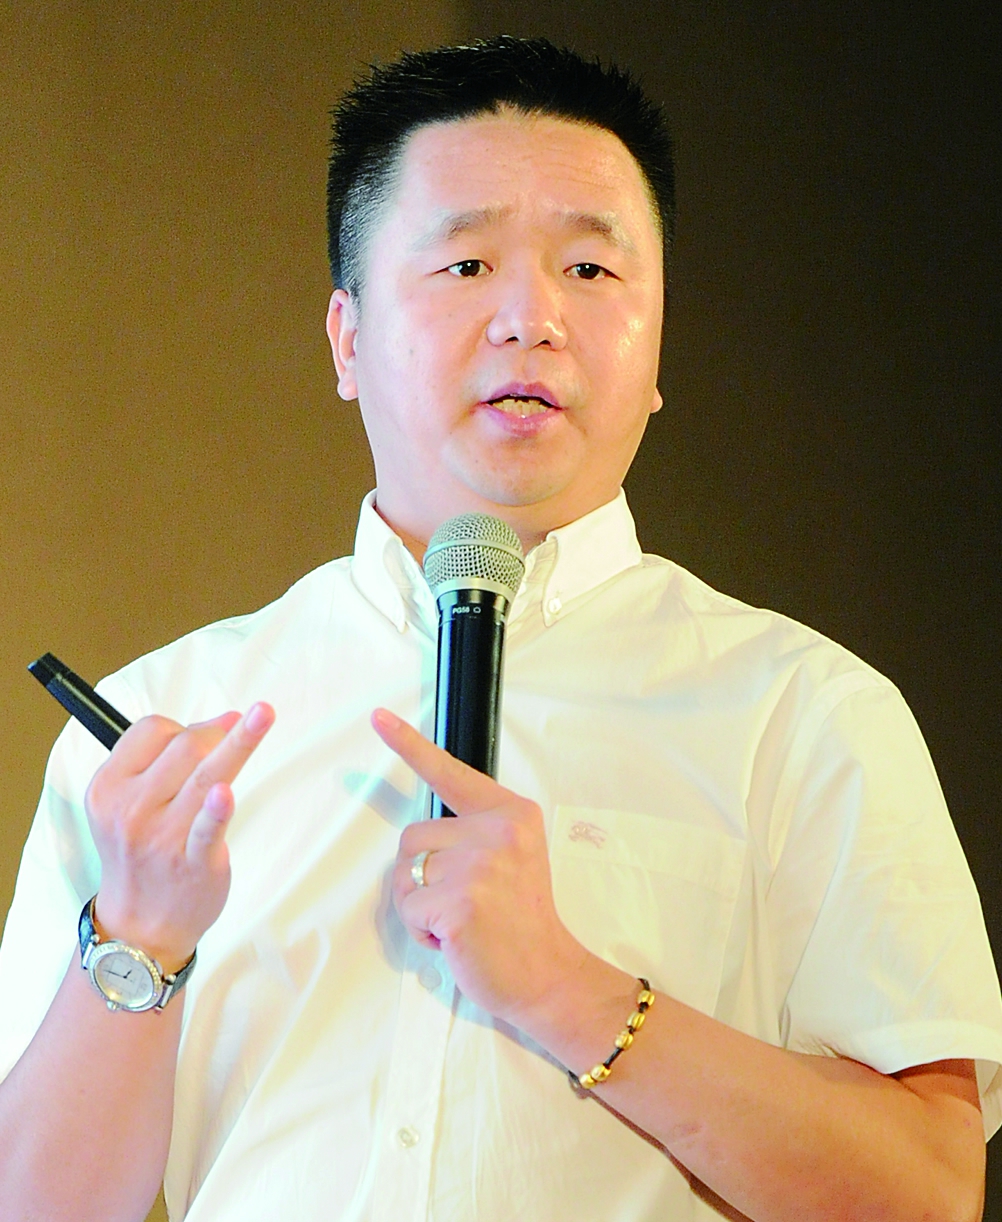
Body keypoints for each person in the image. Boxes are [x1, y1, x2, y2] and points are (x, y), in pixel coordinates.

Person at [1, 35, 1000, 1222]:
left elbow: (929, 1190)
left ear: (658, 346)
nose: (532, 318)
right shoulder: (165, 731)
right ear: (347, 339)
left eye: (590, 269)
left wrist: (572, 991)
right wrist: (137, 938)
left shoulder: (804, 710)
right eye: (467, 262)